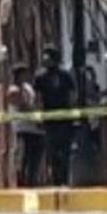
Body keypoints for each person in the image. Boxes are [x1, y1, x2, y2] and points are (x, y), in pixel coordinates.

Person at [34, 47, 76, 187]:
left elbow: (71, 96)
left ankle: (64, 179)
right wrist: (39, 116)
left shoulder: (65, 75)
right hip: (49, 121)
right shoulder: (40, 77)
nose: (45, 60)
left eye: (48, 57)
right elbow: (38, 98)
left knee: (65, 151)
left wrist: (72, 114)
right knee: (52, 152)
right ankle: (55, 180)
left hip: (65, 120)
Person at [7, 64, 42, 187]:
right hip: (22, 128)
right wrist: (37, 117)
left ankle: (33, 180)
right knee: (23, 156)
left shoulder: (28, 87)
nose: (26, 76)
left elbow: (33, 103)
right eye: (24, 74)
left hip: (35, 129)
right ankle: (22, 181)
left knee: (35, 157)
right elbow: (23, 106)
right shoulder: (13, 90)